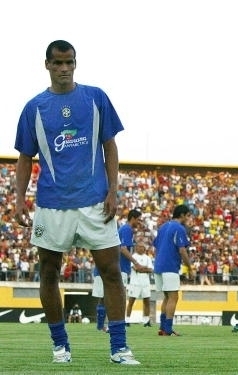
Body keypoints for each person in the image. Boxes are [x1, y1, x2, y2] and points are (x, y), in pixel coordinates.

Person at [13, 40, 140, 365]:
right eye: (57, 63)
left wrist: (113, 191)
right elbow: (25, 158)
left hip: (95, 202)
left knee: (111, 272)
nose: (64, 68)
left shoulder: (95, 97)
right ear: (47, 65)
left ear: (75, 63)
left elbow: (110, 146)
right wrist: (19, 200)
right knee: (49, 273)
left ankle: (119, 348)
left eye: (69, 62)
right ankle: (60, 346)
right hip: (52, 205)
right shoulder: (34, 107)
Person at [92, 209, 141, 331]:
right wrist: (135, 262)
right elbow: (123, 249)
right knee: (117, 295)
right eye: (139, 219)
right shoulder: (126, 229)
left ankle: (101, 326)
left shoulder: (122, 230)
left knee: (104, 296)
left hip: (109, 266)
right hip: (118, 268)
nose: (140, 222)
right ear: (133, 218)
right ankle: (115, 324)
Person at [153, 204, 195, 336]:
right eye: (187, 215)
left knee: (166, 297)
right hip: (170, 266)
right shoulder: (179, 228)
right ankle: (168, 328)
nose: (188, 218)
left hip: (159, 265)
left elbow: (156, 245)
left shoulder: (163, 226)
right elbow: (182, 250)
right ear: (182, 215)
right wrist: (190, 268)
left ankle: (163, 327)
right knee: (173, 297)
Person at [125, 239, 153, 327]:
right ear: (136, 248)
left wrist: (141, 268)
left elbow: (150, 269)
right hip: (135, 283)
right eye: (139, 246)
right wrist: (144, 268)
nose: (141, 248)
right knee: (131, 301)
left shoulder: (148, 258)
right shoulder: (133, 257)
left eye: (142, 247)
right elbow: (136, 269)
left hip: (145, 283)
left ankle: (146, 320)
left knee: (147, 302)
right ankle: (127, 320)